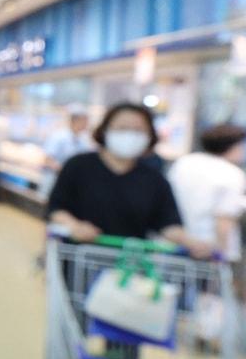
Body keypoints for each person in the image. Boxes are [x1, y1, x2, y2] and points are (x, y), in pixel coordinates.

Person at [47, 102, 212, 256]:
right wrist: (74, 226)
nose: (130, 134)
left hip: (130, 264)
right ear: (105, 130)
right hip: (79, 257)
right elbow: (56, 207)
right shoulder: (78, 165)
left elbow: (168, 223)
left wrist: (191, 242)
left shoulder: (154, 179)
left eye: (139, 130)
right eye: (122, 128)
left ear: (150, 136)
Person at [168, 124, 246, 261]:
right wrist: (221, 254)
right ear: (233, 146)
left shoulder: (184, 162)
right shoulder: (233, 174)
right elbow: (224, 219)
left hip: (175, 242)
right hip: (206, 249)